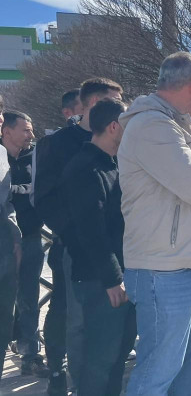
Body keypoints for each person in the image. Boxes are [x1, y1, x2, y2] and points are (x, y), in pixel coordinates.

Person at [118, 52, 191, 395]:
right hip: (164, 268)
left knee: (188, 360)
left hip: (189, 262)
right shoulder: (152, 126)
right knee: (159, 367)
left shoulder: (177, 126)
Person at [34, 77, 123, 395]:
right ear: (95, 104)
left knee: (106, 334)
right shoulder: (59, 144)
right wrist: (76, 232)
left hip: (111, 251)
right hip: (76, 248)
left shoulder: (116, 145)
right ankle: (66, 377)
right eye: (114, 101)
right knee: (75, 322)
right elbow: (44, 199)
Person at [60, 99, 135, 396]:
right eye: (128, 125)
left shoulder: (111, 164)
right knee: (101, 359)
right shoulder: (86, 168)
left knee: (117, 356)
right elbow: (91, 232)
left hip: (117, 275)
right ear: (114, 126)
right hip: (99, 280)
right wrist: (113, 278)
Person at [2, 111, 46, 376]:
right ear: (6, 131)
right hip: (3, 242)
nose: (31, 135)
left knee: (29, 297)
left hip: (30, 238)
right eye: (26, 130)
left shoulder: (36, 158)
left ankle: (30, 354)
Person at [0, 95, 23, 384]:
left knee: (4, 320)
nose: (0, 118)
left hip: (4, 248)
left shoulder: (1, 153)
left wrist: (16, 238)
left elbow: (5, 202)